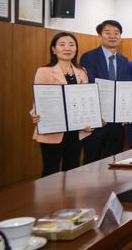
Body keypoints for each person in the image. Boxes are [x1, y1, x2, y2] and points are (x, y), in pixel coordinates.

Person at [30, 32, 91, 176]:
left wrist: (89, 120)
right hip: (52, 129)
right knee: (51, 171)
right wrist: (35, 114)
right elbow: (38, 101)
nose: (67, 48)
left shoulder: (82, 72)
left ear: (76, 49)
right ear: (53, 49)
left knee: (72, 170)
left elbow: (86, 100)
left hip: (76, 130)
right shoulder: (44, 71)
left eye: (71, 45)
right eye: (62, 44)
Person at [80, 20, 132, 162]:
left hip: (117, 123)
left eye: (116, 33)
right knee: (92, 162)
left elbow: (125, 87)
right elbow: (88, 87)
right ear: (99, 36)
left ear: (120, 37)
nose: (112, 36)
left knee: (114, 162)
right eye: (107, 33)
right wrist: (95, 115)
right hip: (97, 121)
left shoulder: (124, 60)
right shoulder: (89, 57)